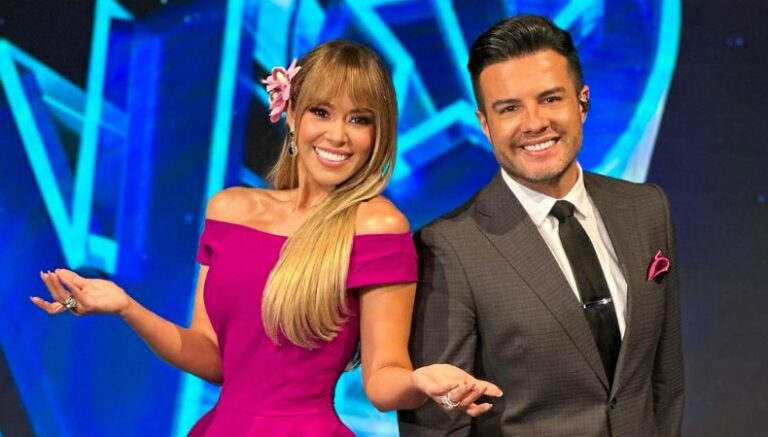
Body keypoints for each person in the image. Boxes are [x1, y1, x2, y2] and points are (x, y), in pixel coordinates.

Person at [31, 39, 501, 436]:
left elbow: (382, 380)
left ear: (378, 134)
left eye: (359, 119)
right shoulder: (229, 209)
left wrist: (421, 382)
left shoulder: (377, 225)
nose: (338, 135)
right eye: (321, 112)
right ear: (292, 114)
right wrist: (126, 307)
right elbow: (213, 358)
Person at [398, 15, 684, 436]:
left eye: (550, 99)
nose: (534, 123)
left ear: (582, 102)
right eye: (509, 108)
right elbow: (438, 423)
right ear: (485, 123)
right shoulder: (448, 246)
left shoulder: (646, 208)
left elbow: (666, 379)